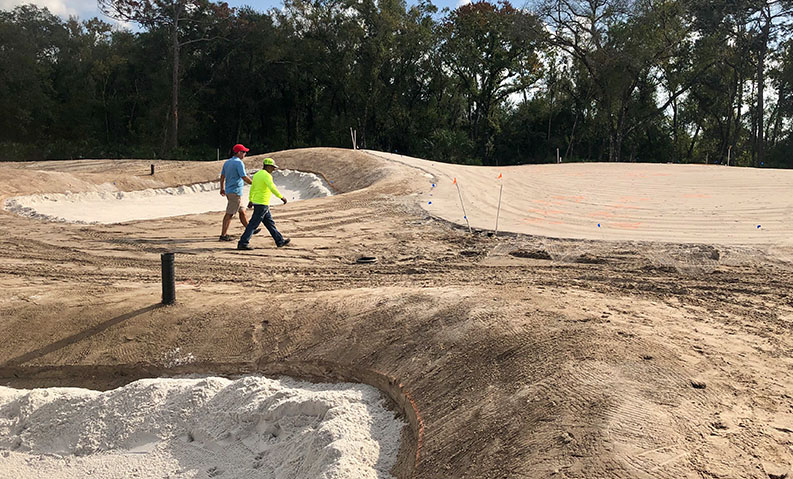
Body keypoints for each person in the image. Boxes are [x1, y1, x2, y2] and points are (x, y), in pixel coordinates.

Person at [237, 157, 290, 250]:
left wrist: (251, 200)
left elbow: (253, 188)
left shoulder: (257, 175)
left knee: (270, 223)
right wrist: (281, 197)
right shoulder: (267, 175)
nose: (274, 169)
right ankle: (243, 243)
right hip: (262, 203)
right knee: (253, 224)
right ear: (268, 166)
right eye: (273, 167)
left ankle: (279, 241)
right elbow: (272, 187)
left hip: (258, 202)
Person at [219, 144, 259, 241]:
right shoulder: (239, 163)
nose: (245, 154)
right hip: (235, 191)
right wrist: (254, 184)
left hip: (230, 191)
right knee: (229, 214)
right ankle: (223, 235)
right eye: (244, 152)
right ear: (238, 152)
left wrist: (222, 188)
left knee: (242, 211)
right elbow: (244, 177)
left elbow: (222, 176)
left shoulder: (227, 162)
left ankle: (250, 229)